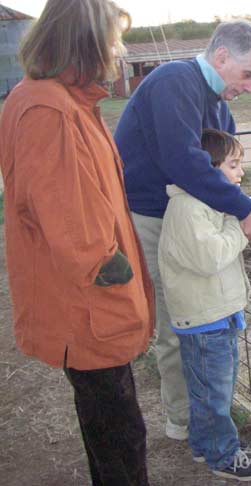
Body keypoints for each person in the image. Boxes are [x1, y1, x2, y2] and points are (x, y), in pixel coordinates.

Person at [0, 1, 155, 485]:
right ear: (82, 41)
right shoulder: (49, 108)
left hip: (88, 301)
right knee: (119, 436)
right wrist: (112, 268)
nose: (119, 49)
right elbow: (68, 222)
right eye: (111, 39)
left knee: (108, 426)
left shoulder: (61, 100)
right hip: (88, 305)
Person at [114, 19, 251, 441]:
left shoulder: (220, 107)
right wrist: (246, 210)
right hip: (153, 218)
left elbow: (223, 172)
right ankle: (186, 421)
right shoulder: (174, 80)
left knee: (205, 312)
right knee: (178, 318)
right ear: (221, 56)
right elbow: (184, 161)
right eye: (249, 75)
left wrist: (246, 210)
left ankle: (208, 408)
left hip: (195, 218)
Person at [158, 129, 251, 481]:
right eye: (234, 165)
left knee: (212, 388)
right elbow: (211, 257)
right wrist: (240, 226)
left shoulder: (207, 204)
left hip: (217, 313)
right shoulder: (188, 209)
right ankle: (223, 455)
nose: (241, 173)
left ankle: (205, 444)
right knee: (214, 394)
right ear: (208, 169)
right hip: (205, 319)